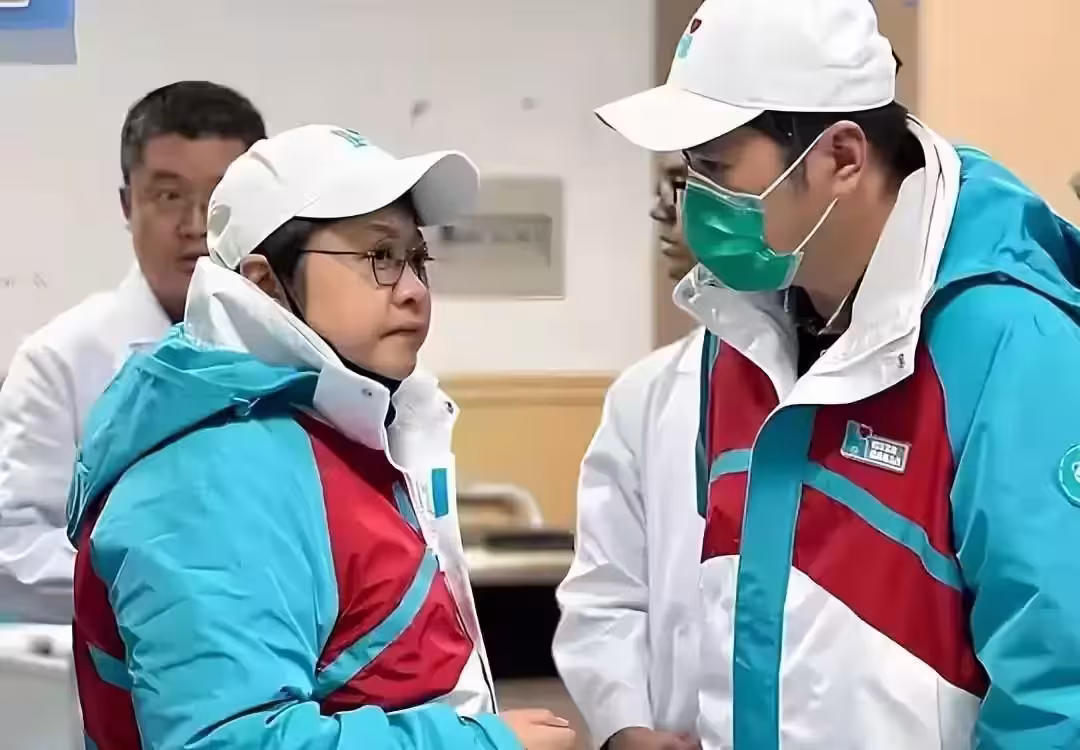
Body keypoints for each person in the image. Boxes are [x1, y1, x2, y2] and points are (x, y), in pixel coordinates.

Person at [592, 0, 1080, 747]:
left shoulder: (1009, 344)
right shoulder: (744, 333)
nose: (696, 199)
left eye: (716, 167)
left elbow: (1057, 683)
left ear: (842, 157)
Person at [67, 124, 577, 750]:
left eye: (417, 259)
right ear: (263, 283)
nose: (414, 291)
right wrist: (484, 745)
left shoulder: (333, 437)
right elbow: (231, 742)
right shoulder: (211, 478)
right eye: (379, 258)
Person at [0, 81, 266, 623]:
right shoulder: (60, 360)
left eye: (221, 200)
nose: (196, 226)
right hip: (119, 658)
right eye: (169, 196)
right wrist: (164, 586)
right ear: (128, 205)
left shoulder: (301, 352)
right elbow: (16, 548)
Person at [553, 157, 706, 750]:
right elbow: (606, 592)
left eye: (683, 184)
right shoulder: (649, 392)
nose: (661, 210)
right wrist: (624, 724)